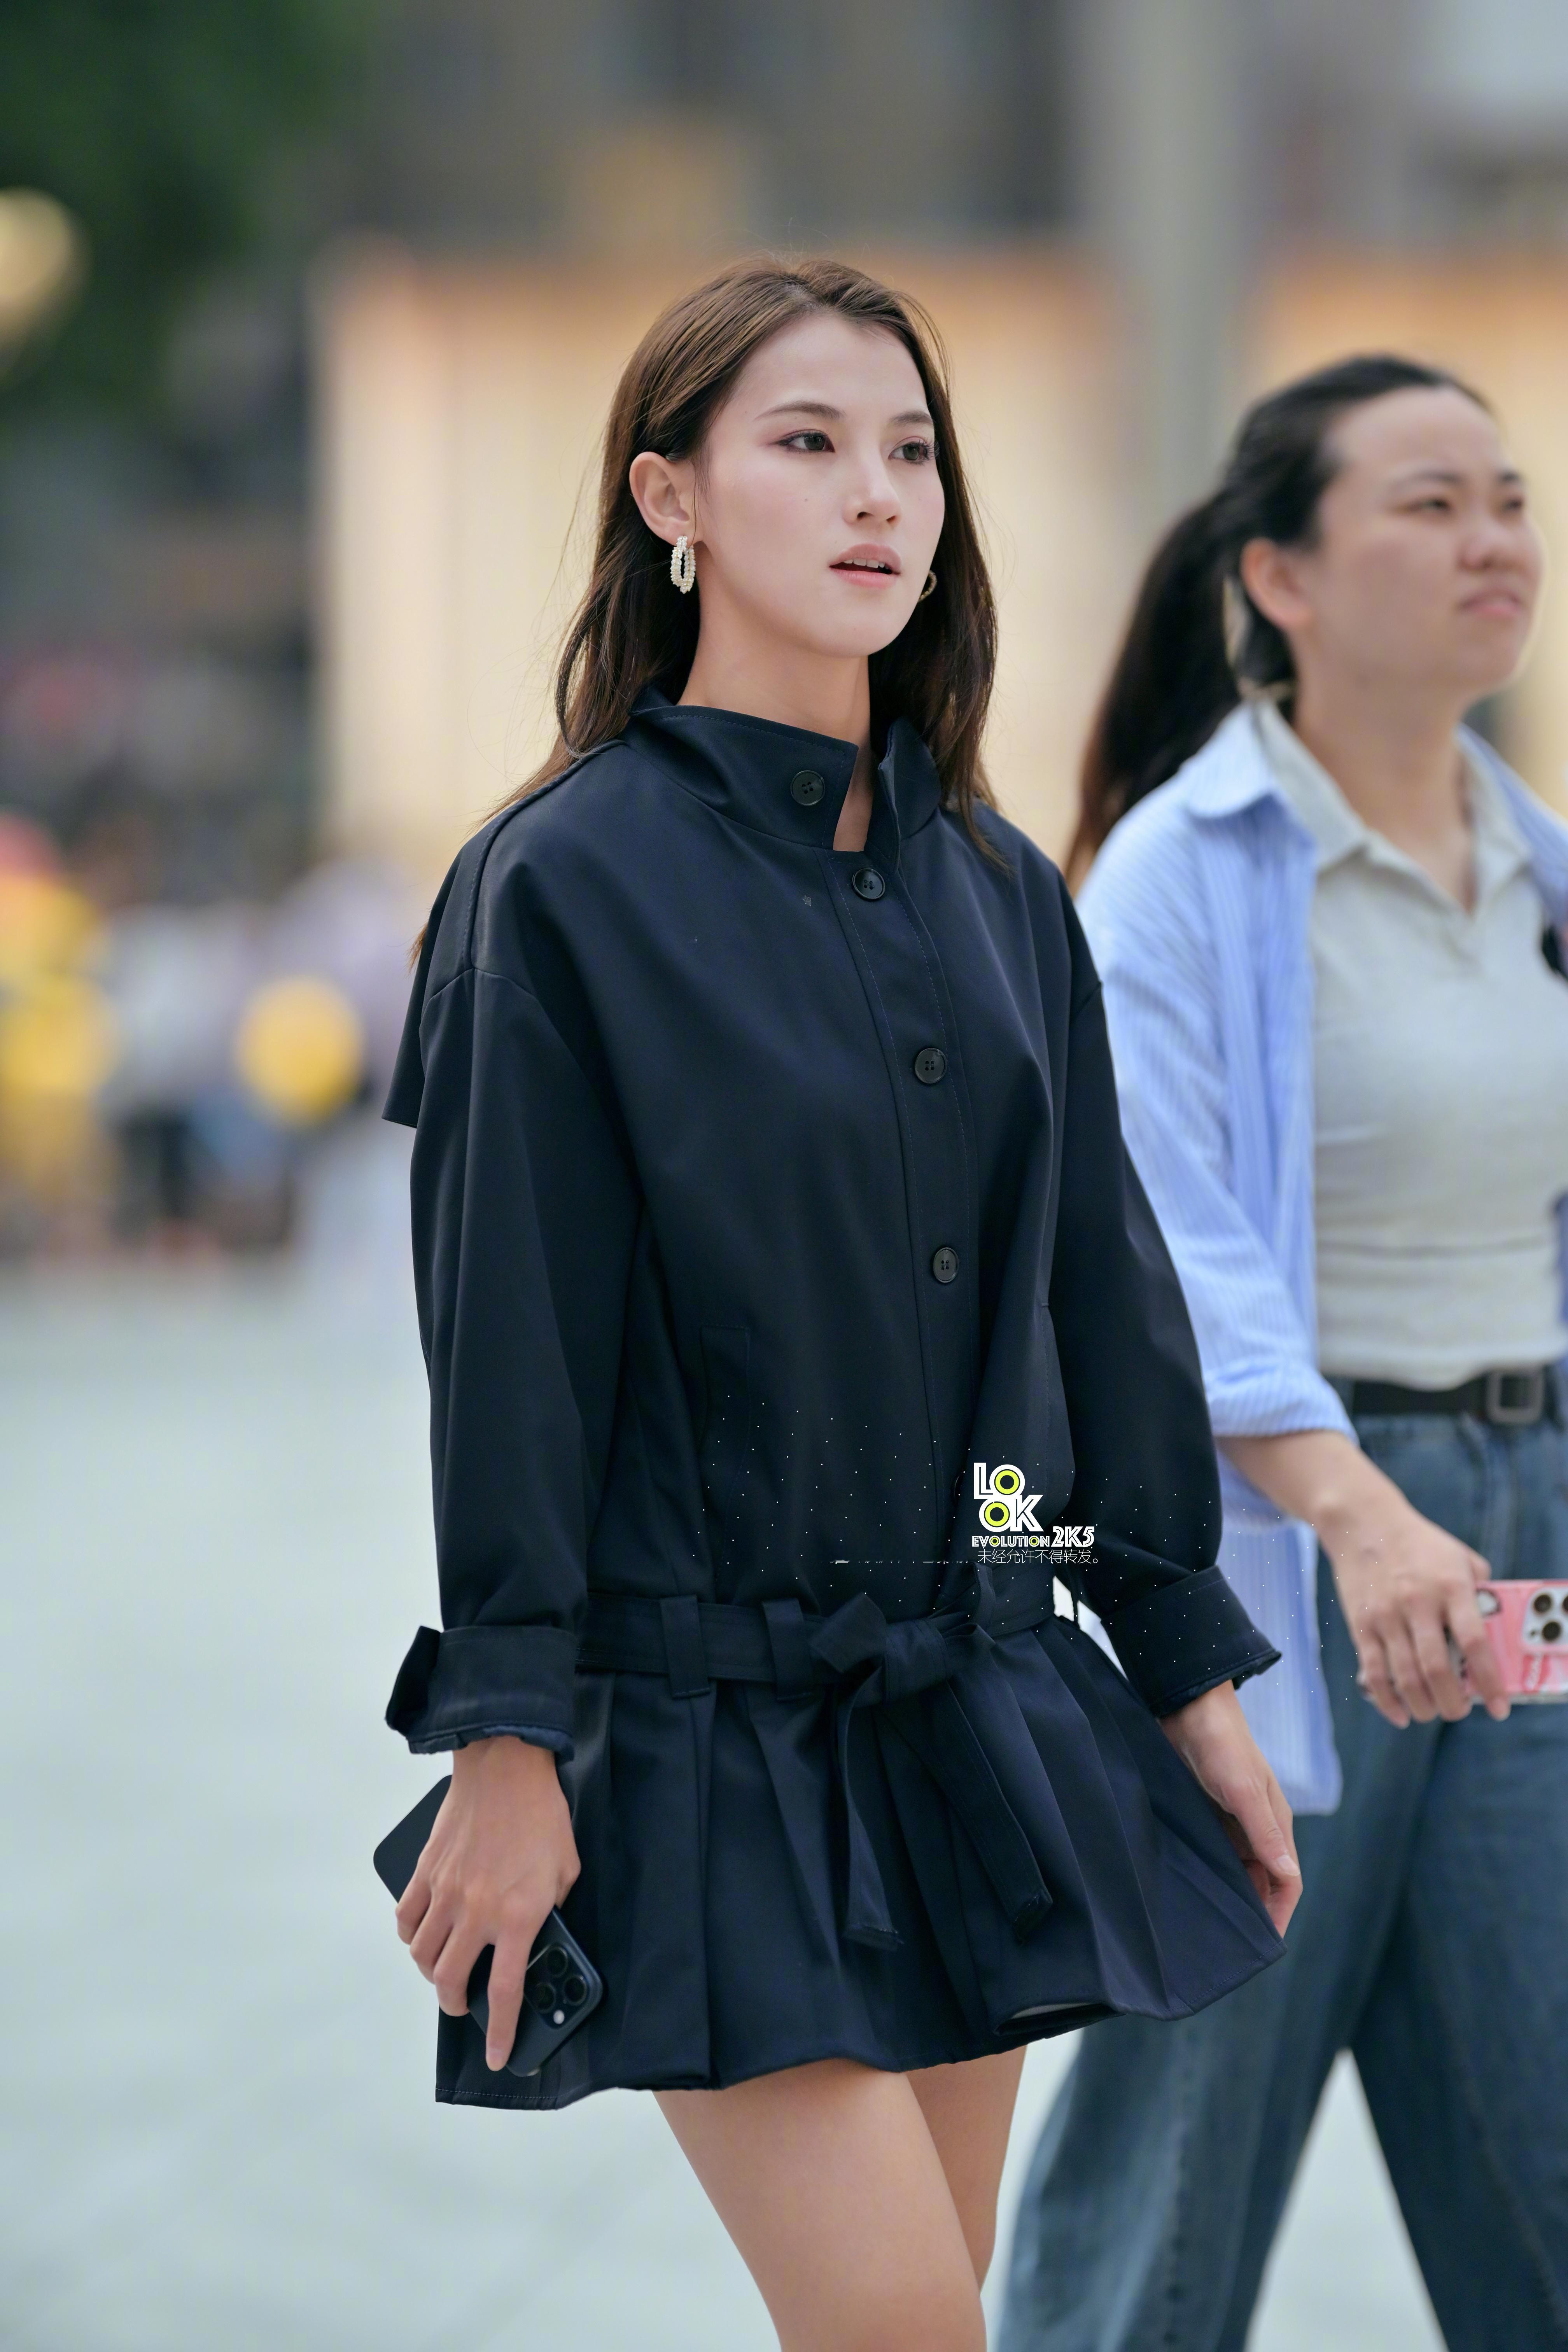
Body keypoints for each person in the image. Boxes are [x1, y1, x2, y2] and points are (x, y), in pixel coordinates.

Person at [381, 257, 1300, 2352]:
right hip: (700, 1732)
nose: (879, 496)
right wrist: (509, 1737)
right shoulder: (562, 884)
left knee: (920, 2321)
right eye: (807, 444)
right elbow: (514, 1347)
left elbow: (1095, 1305)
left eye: (911, 453)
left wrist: (1179, 1666)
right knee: (902, 2327)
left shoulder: (1001, 887)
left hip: (975, 1706)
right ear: (671, 498)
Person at [1000, 354, 1568, 2352]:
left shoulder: (1545, 870)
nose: (1494, 539)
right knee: (1179, 2161)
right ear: (1281, 577)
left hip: (1528, 1552)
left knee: (1544, 2112)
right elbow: (1165, 1243)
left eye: (1509, 498)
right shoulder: (1183, 870)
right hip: (1295, 1553)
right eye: (1430, 502)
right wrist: (1356, 1512)